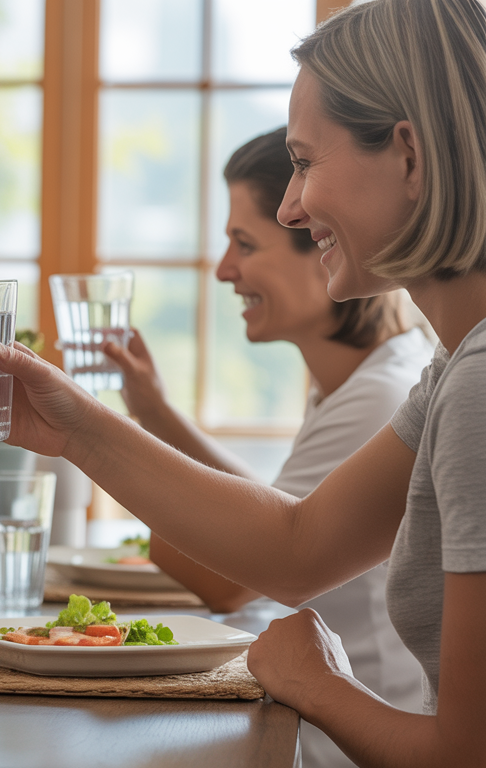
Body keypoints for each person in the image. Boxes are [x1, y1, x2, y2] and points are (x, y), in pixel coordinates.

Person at [0, 0, 486, 762]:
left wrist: (315, 684)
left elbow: (465, 755)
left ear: (409, 156)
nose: (292, 202)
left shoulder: (478, 387)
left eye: (307, 162)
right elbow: (296, 547)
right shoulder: (455, 369)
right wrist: (76, 425)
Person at [102, 126, 431, 768]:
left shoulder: (380, 395)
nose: (225, 270)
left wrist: (87, 432)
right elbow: (276, 512)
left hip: (339, 747)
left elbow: (231, 573)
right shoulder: (365, 377)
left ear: (319, 242)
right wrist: (157, 415)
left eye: (244, 244)